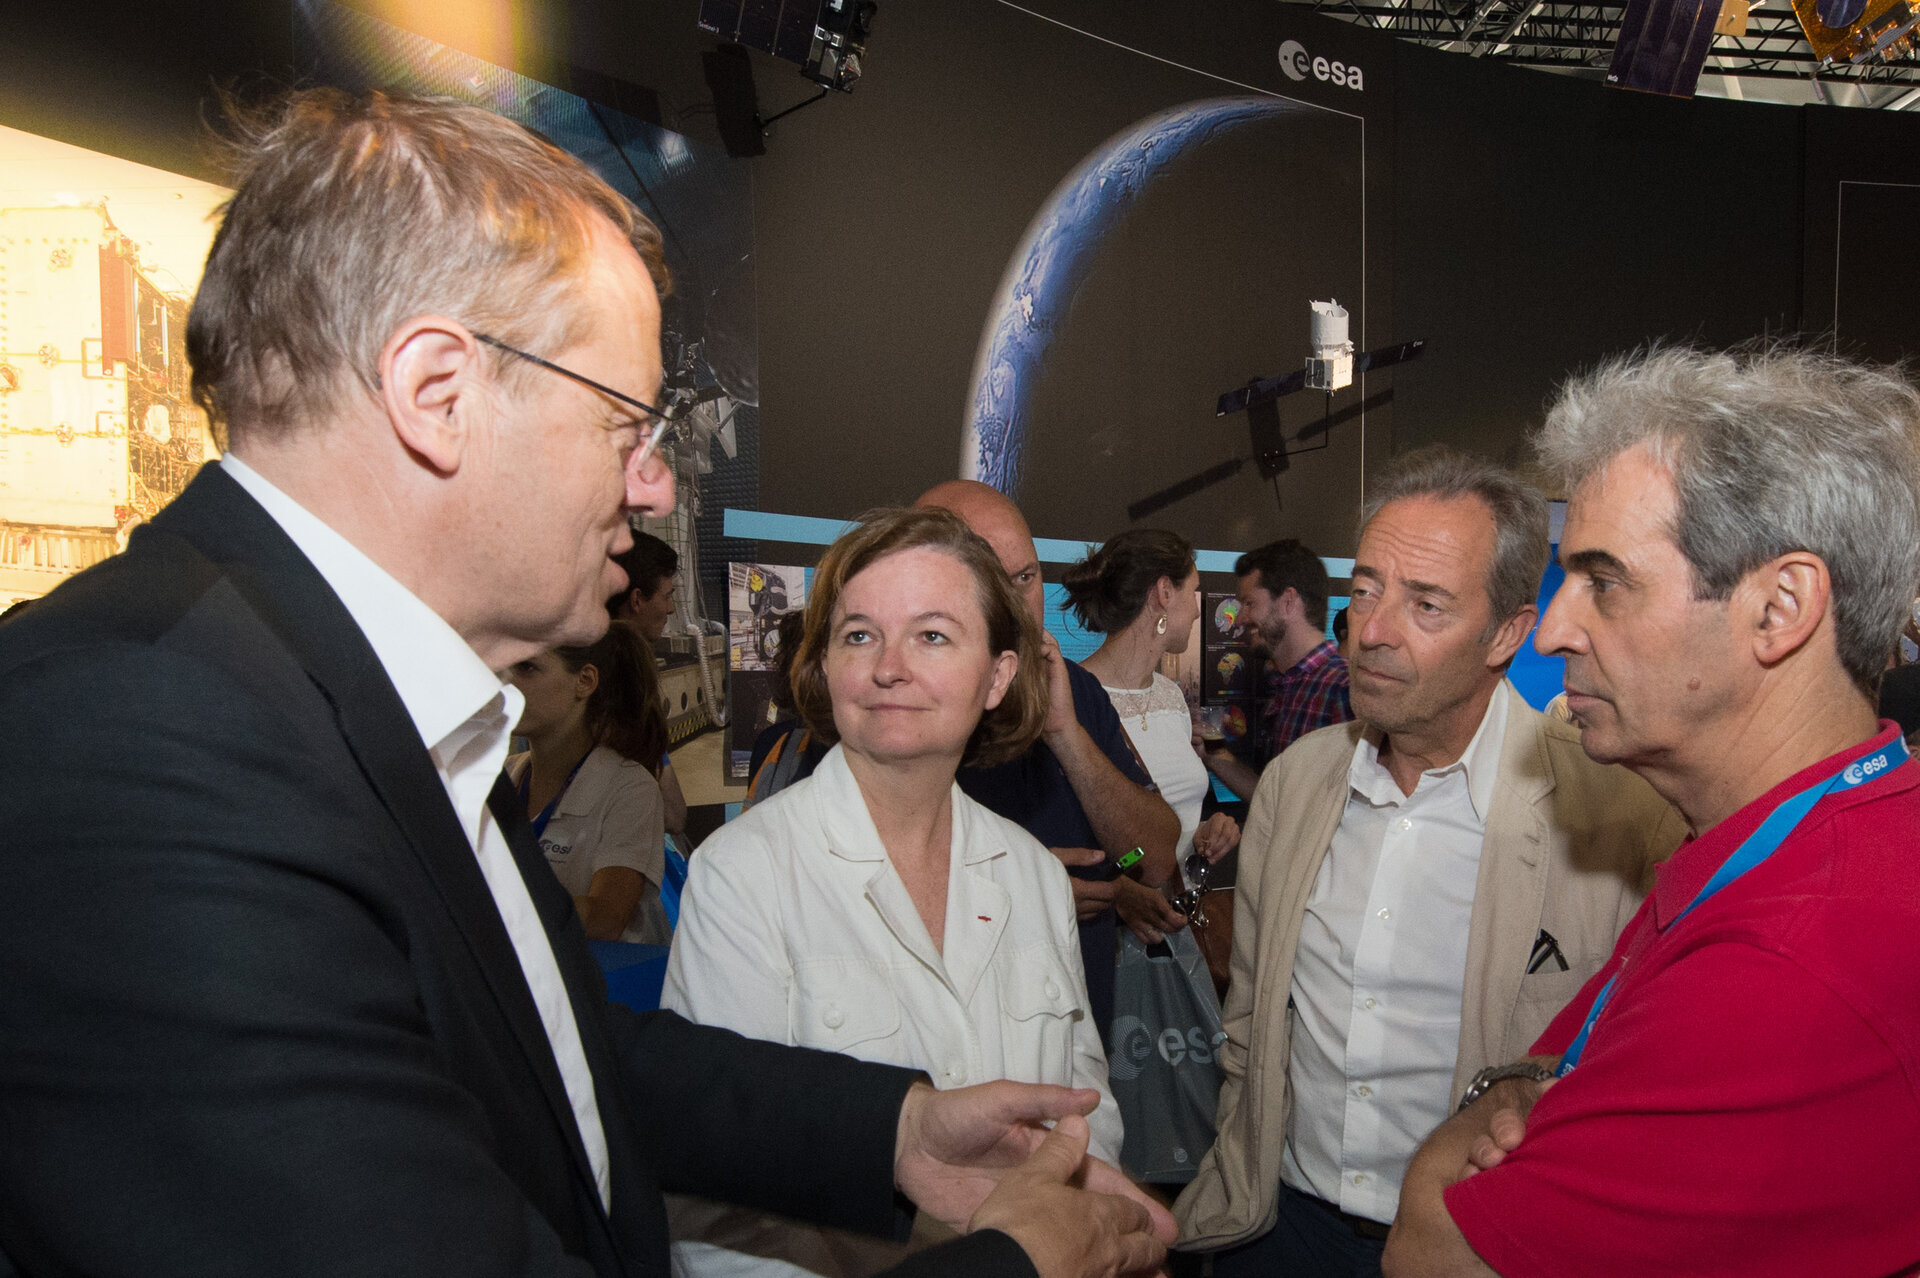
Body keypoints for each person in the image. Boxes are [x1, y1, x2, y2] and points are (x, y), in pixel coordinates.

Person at [0, 89, 1175, 1278]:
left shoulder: (331, 708)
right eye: (625, 420)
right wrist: (1012, 1266)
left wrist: (894, 1128)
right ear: (437, 393)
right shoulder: (142, 740)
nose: (656, 486)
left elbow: (552, 1054)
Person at [1386, 347, 1920, 1278]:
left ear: (1779, 607)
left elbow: (1434, 1249)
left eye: (1606, 580)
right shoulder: (1783, 846)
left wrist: (1451, 1150)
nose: (1553, 631)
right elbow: (1537, 1077)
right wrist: (1524, 1088)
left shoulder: (1796, 953)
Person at [1176, 448, 1684, 1278]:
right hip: (1279, 1227)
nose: (1372, 631)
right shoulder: (1296, 785)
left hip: (1479, 1246)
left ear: (1509, 634)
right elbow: (1251, 1021)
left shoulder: (1619, 817)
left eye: (1427, 604)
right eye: (1367, 589)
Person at [664, 507, 1123, 1276]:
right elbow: (718, 1210)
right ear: (826, 666)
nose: (889, 667)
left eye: (933, 635)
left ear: (998, 677)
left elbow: (1086, 1113)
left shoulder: (1032, 874)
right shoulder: (743, 875)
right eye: (859, 634)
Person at [917, 480, 1181, 1043]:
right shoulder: (896, 705)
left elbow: (1152, 855)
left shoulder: (1078, 692)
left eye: (1027, 577)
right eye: (993, 580)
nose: (1018, 603)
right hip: (945, 1042)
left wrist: (1067, 734)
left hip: (1073, 1040)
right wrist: (1022, 886)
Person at [1062, 529, 1243, 947]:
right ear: (1164, 592)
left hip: (1177, 929)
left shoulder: (1170, 697)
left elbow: (1178, 817)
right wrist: (1119, 886)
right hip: (1108, 939)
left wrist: (1208, 830)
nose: (1198, 611)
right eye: (1194, 591)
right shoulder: (1073, 699)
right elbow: (1064, 840)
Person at [507, 621, 671, 944]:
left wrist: (498, 913)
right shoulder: (501, 779)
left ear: (584, 682)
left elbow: (605, 917)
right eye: (504, 667)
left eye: (526, 668)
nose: (507, 683)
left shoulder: (629, 788)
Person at [1201, 538, 1352, 801]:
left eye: (1249, 603)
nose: (1240, 618)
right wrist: (1214, 756)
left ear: (1288, 602)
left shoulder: (1344, 688)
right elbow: (1275, 802)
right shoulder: (1287, 686)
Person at [607, 531, 689, 836]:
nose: (670, 609)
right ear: (637, 599)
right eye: (666, 596)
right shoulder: (623, 682)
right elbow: (673, 816)